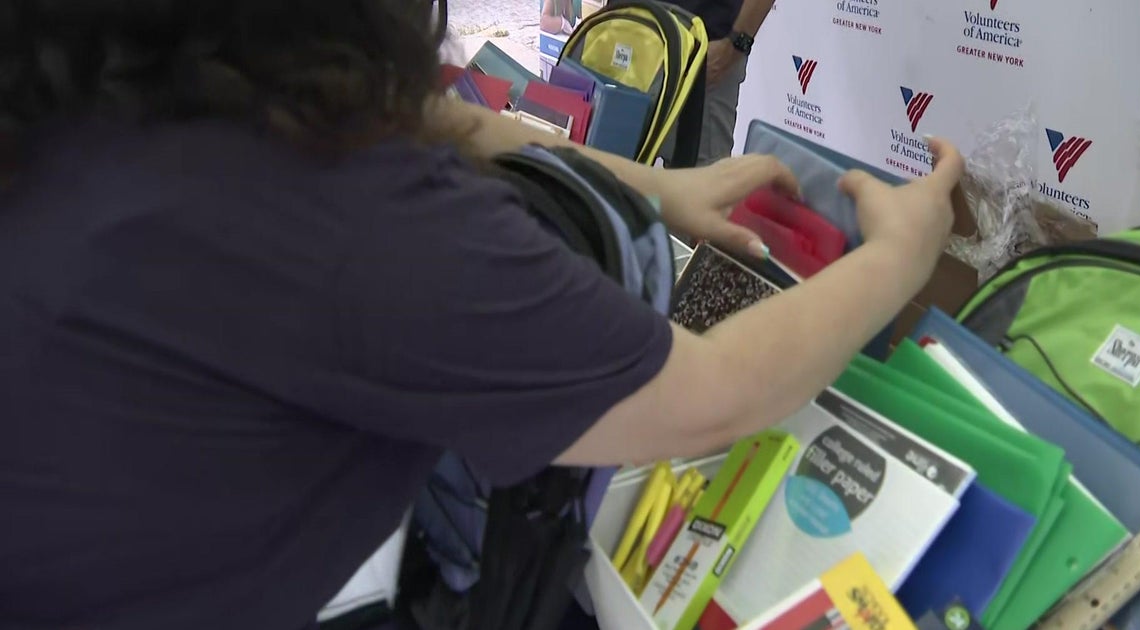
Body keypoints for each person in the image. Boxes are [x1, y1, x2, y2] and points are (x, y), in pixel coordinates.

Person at [0, 1, 963, 629]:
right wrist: (896, 256)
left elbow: (434, 114)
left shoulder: (117, 76)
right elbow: (711, 393)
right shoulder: (341, 213)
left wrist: (660, 186)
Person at [667, 0, 776, 165]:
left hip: (704, 52)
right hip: (632, 32)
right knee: (620, 176)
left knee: (701, 181)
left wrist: (735, 45)